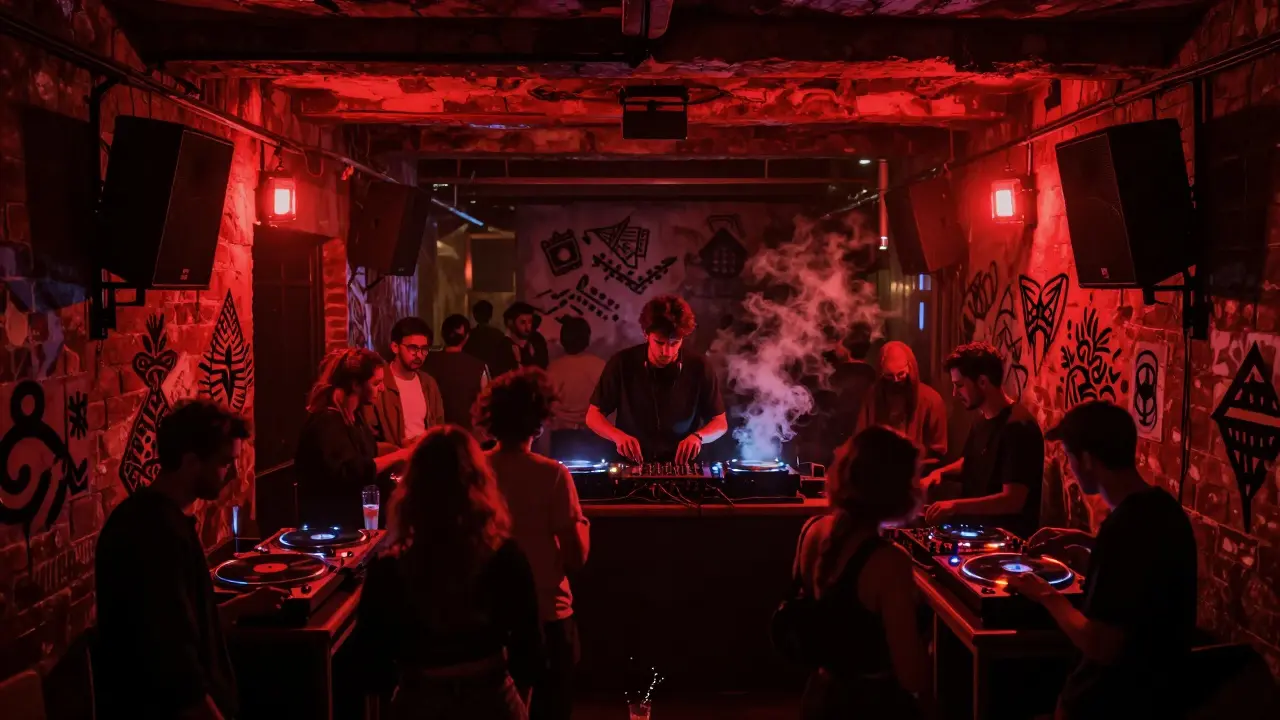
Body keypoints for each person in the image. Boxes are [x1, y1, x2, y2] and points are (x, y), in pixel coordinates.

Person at [1004, 401, 1196, 720]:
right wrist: (1081, 539)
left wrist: (1044, 594)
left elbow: (1100, 645)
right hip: (1165, 696)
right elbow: (1143, 564)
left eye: (1069, 457)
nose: (1069, 467)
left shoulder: (1123, 529)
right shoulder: (1164, 511)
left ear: (1088, 460)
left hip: (1112, 702)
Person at [95, 400, 285, 720]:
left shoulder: (161, 519)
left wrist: (241, 606)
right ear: (190, 461)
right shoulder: (153, 533)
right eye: (225, 463)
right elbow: (173, 664)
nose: (234, 473)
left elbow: (185, 625)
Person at [358, 426, 545, 720]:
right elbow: (530, 651)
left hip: (419, 699)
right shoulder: (505, 556)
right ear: (477, 482)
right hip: (491, 697)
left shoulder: (389, 568)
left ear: (413, 487)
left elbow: (371, 668)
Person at [790, 426, 932, 720]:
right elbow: (912, 677)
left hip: (818, 698)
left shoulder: (811, 531)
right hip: (873, 706)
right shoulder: (889, 563)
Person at [476, 368, 591, 720]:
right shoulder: (553, 475)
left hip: (486, 615)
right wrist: (582, 524)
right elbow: (576, 557)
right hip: (547, 614)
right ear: (539, 423)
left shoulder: (473, 471)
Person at [586, 295, 728, 464]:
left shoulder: (699, 366)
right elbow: (593, 416)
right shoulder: (622, 363)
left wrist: (699, 437)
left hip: (683, 466)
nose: (667, 352)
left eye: (674, 343)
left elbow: (720, 423)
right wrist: (618, 436)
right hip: (632, 464)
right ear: (646, 334)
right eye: (660, 343)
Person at [923, 342, 1044, 539]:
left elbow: (1012, 500)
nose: (955, 393)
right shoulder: (981, 420)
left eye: (960, 385)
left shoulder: (1018, 427)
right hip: (977, 537)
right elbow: (972, 462)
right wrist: (939, 474)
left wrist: (954, 507)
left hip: (1004, 546)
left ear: (982, 382)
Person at [296, 348, 412, 528]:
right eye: (376, 383)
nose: (381, 388)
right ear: (356, 384)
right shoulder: (327, 421)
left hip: (353, 521)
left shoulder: (353, 416)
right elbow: (353, 471)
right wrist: (400, 456)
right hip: (334, 526)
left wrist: (401, 450)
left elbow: (366, 450)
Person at [855, 341, 947, 467]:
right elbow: (860, 443)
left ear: (911, 370)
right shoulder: (871, 398)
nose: (896, 381)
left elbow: (938, 452)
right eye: (889, 376)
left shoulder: (931, 400)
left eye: (901, 374)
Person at [368, 317, 446, 452]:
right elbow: (369, 437)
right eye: (413, 348)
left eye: (424, 349)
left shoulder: (428, 383)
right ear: (395, 347)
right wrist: (399, 449)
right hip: (392, 463)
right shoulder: (379, 382)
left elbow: (439, 426)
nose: (419, 355)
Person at [425, 313, 490, 432]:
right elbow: (486, 401)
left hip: (434, 431)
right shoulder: (478, 366)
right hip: (466, 432)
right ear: (466, 337)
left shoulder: (427, 362)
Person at [546, 317, 606, 431]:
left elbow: (547, 403)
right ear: (587, 339)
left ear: (563, 339)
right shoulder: (600, 365)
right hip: (594, 430)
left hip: (561, 431)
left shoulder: (553, 368)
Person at [466, 300, 518, 379]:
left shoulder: (469, 335)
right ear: (490, 315)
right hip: (495, 378)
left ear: (474, 315)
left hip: (473, 376)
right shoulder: (499, 335)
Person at [505, 302, 541, 370]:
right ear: (511, 324)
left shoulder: (531, 345)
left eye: (530, 322)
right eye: (522, 323)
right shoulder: (506, 347)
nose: (528, 328)